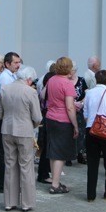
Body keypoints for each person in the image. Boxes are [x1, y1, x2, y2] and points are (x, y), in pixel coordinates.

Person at [0, 66, 42, 211]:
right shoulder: (31, 92)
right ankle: (27, 203)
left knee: (10, 165)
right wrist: (32, 124)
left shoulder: (5, 89)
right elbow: (37, 117)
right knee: (26, 166)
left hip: (7, 130)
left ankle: (9, 202)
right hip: (25, 131)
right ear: (28, 79)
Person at [45, 56, 79, 194]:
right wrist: (75, 125)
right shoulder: (67, 83)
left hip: (50, 117)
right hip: (62, 120)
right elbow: (70, 107)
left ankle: (54, 180)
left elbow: (43, 96)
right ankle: (55, 184)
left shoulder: (51, 79)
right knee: (60, 153)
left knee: (53, 151)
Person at [83, 69, 106, 201]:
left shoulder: (89, 93)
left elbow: (86, 114)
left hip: (91, 129)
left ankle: (90, 194)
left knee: (92, 163)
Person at [0, 51, 21, 191]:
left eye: (19, 62)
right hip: (6, 116)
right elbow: (8, 98)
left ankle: (6, 182)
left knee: (6, 150)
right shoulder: (5, 78)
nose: (18, 65)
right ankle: (1, 184)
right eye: (15, 63)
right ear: (7, 64)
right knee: (3, 151)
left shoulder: (13, 76)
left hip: (9, 116)